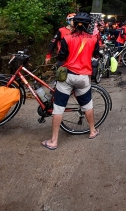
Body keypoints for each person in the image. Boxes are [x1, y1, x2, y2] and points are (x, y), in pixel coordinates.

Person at [42, 12, 100, 150]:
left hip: (68, 76)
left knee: (58, 107)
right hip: (83, 77)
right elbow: (96, 55)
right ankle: (92, 131)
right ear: (88, 25)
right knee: (87, 105)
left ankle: (54, 141)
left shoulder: (67, 38)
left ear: (74, 23)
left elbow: (62, 56)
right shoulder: (93, 39)